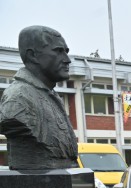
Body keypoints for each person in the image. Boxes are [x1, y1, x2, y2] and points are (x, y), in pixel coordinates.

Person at [0, 26, 77, 170]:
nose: (67, 60)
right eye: (58, 51)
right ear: (32, 56)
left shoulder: (52, 96)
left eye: (66, 52)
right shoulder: (18, 98)